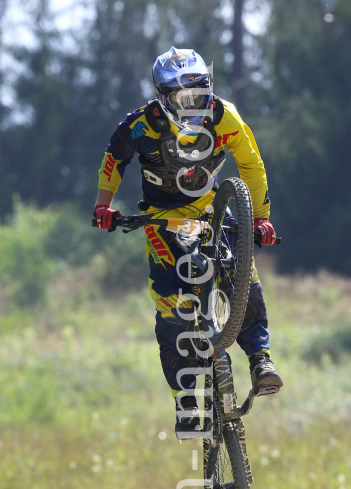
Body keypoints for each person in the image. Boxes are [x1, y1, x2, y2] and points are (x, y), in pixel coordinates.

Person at [94, 46, 283, 439]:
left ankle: (260, 358)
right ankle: (186, 400)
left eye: (198, 94)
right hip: (161, 217)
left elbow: (251, 163)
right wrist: (103, 206)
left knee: (243, 274)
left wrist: (261, 216)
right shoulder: (140, 125)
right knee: (170, 303)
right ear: (162, 98)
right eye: (182, 98)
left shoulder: (223, 115)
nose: (192, 104)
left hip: (211, 206)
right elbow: (114, 158)